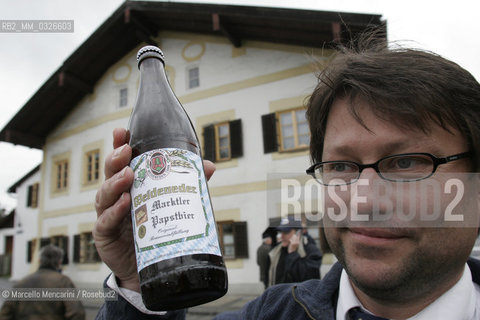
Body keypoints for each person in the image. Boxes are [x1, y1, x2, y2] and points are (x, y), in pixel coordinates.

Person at [93, 34, 480, 319]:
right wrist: (134, 282)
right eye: (342, 167)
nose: (363, 200)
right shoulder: (267, 314)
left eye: (406, 163)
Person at [0, 244, 85, 320]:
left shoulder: (21, 283)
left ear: (39, 261)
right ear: (59, 262)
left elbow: (5, 314)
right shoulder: (63, 282)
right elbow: (77, 313)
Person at [265, 217, 322, 288]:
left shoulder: (310, 250)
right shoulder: (274, 252)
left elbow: (309, 276)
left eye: (286, 232)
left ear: (298, 233)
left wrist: (292, 253)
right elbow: (268, 279)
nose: (282, 236)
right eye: (281, 232)